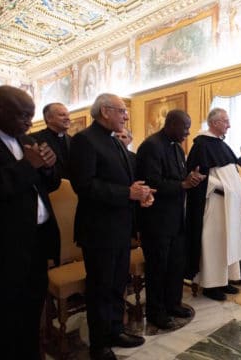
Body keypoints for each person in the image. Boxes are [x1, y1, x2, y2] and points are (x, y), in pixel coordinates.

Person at [70, 93, 154, 360]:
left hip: (120, 226)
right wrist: (126, 194)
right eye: (121, 111)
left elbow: (124, 179)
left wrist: (140, 193)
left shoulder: (114, 141)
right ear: (105, 111)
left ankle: (116, 329)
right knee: (100, 288)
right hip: (98, 230)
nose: (125, 115)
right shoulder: (84, 140)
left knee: (118, 284)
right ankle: (99, 344)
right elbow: (84, 185)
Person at [0, 85, 60, 359]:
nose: (28, 121)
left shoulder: (26, 140)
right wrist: (29, 166)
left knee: (33, 305)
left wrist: (48, 166)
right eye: (22, 115)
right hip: (8, 245)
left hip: (37, 240)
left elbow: (50, 185)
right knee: (9, 311)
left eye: (31, 115)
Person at [137, 109, 205, 329]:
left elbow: (179, 178)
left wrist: (190, 178)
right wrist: (183, 184)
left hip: (176, 218)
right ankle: (156, 312)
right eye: (185, 127)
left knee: (175, 265)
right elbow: (152, 182)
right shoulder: (151, 146)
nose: (187, 132)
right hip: (156, 220)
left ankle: (173, 303)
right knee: (158, 268)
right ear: (171, 124)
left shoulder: (176, 147)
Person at [186, 108, 241, 301]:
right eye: (226, 121)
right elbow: (198, 176)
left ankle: (225, 280)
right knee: (215, 244)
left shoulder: (220, 144)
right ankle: (211, 285)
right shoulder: (201, 144)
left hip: (229, 203)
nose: (229, 124)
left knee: (228, 241)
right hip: (215, 203)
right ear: (214, 123)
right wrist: (222, 187)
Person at [31, 102, 71, 179]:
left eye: (68, 115)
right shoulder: (35, 139)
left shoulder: (72, 139)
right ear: (49, 118)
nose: (68, 118)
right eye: (62, 115)